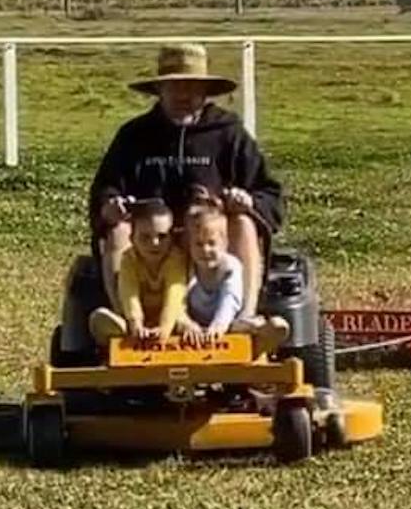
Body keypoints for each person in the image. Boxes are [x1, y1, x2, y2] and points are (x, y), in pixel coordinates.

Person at [89, 42, 283, 315]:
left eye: (191, 86)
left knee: (243, 222)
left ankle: (243, 318)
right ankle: (124, 322)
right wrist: (110, 206)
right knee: (119, 230)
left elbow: (270, 193)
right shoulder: (134, 136)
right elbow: (104, 190)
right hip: (151, 244)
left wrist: (248, 201)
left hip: (213, 244)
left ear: (205, 91)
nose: (183, 94)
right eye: (174, 86)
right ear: (159, 90)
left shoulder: (229, 133)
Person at [179, 199, 289, 356]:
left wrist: (218, 326)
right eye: (198, 244)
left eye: (211, 243)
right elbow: (178, 300)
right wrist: (187, 324)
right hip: (194, 326)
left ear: (224, 243)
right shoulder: (186, 266)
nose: (205, 250)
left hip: (228, 323)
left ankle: (265, 338)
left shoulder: (230, 267)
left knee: (250, 325)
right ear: (189, 245)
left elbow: (230, 299)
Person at [89, 198, 188, 345]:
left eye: (162, 237)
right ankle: (119, 331)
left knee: (183, 321)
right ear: (132, 238)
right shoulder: (129, 260)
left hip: (171, 316)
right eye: (145, 237)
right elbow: (129, 293)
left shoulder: (175, 259)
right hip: (138, 315)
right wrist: (136, 324)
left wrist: (164, 328)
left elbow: (174, 294)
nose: (154, 243)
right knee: (110, 317)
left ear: (171, 238)